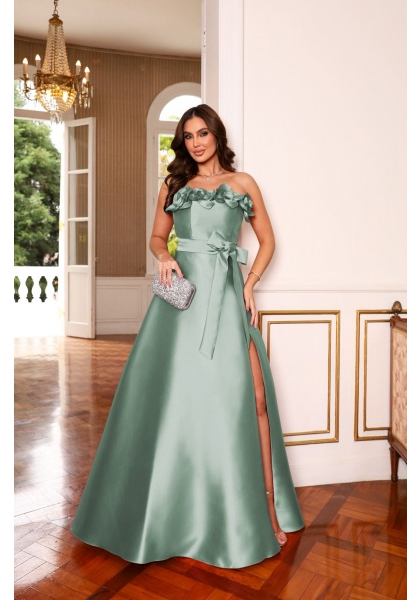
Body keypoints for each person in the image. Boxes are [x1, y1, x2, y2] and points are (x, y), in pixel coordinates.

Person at [71, 104, 304, 569]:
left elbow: (268, 241)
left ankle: (266, 510)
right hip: (183, 301)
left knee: (253, 399)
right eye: (189, 136)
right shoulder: (174, 185)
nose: (196, 143)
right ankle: (169, 514)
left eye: (203, 133)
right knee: (174, 402)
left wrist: (251, 283)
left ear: (216, 135)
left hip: (228, 295)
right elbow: (157, 238)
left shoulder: (243, 183)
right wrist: (164, 257)